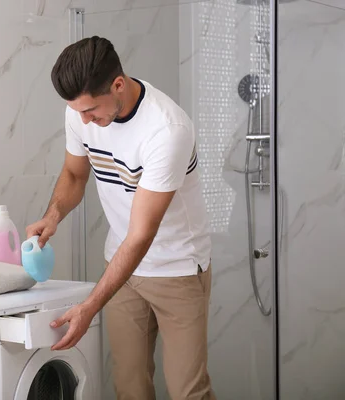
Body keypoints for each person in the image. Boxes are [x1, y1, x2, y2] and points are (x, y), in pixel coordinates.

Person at [25, 36, 215, 400]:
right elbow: (75, 174)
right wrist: (53, 216)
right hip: (124, 270)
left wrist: (90, 306)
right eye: (77, 111)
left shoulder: (166, 130)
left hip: (177, 269)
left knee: (188, 392)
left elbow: (142, 234)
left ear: (118, 85)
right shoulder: (80, 112)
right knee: (129, 388)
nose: (84, 121)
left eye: (91, 111)